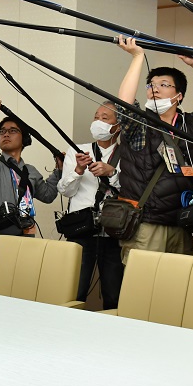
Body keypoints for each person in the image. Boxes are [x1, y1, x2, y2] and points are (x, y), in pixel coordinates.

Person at [114, 37, 193, 262]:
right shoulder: (139, 123)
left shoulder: (190, 124)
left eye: (164, 84)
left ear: (178, 96)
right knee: (144, 286)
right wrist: (137, 56)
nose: (155, 89)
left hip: (183, 220)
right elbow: (124, 102)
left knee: (177, 287)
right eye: (151, 84)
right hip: (146, 223)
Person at [0, 95, 62, 285]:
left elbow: (48, 195)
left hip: (25, 234)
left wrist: (58, 171)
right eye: (2, 132)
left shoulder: (30, 171)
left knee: (22, 287)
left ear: (24, 139)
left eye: (13, 130)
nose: (5, 134)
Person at [56, 103, 124, 309]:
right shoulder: (78, 151)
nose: (98, 122)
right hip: (81, 228)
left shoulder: (128, 155)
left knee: (114, 293)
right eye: (96, 117)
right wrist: (78, 169)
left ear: (118, 126)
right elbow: (65, 190)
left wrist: (112, 173)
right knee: (74, 290)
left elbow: (134, 192)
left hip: (114, 230)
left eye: (105, 118)